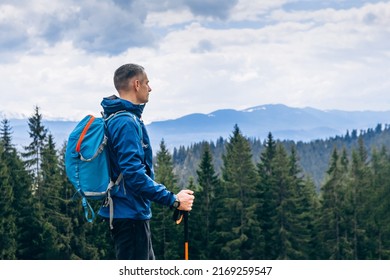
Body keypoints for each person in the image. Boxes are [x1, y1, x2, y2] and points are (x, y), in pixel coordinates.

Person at [98, 63, 195, 260]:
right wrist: (174, 200)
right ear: (136, 84)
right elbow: (134, 175)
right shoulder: (126, 122)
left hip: (127, 213)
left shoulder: (116, 118)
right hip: (130, 215)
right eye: (147, 83)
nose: (150, 88)